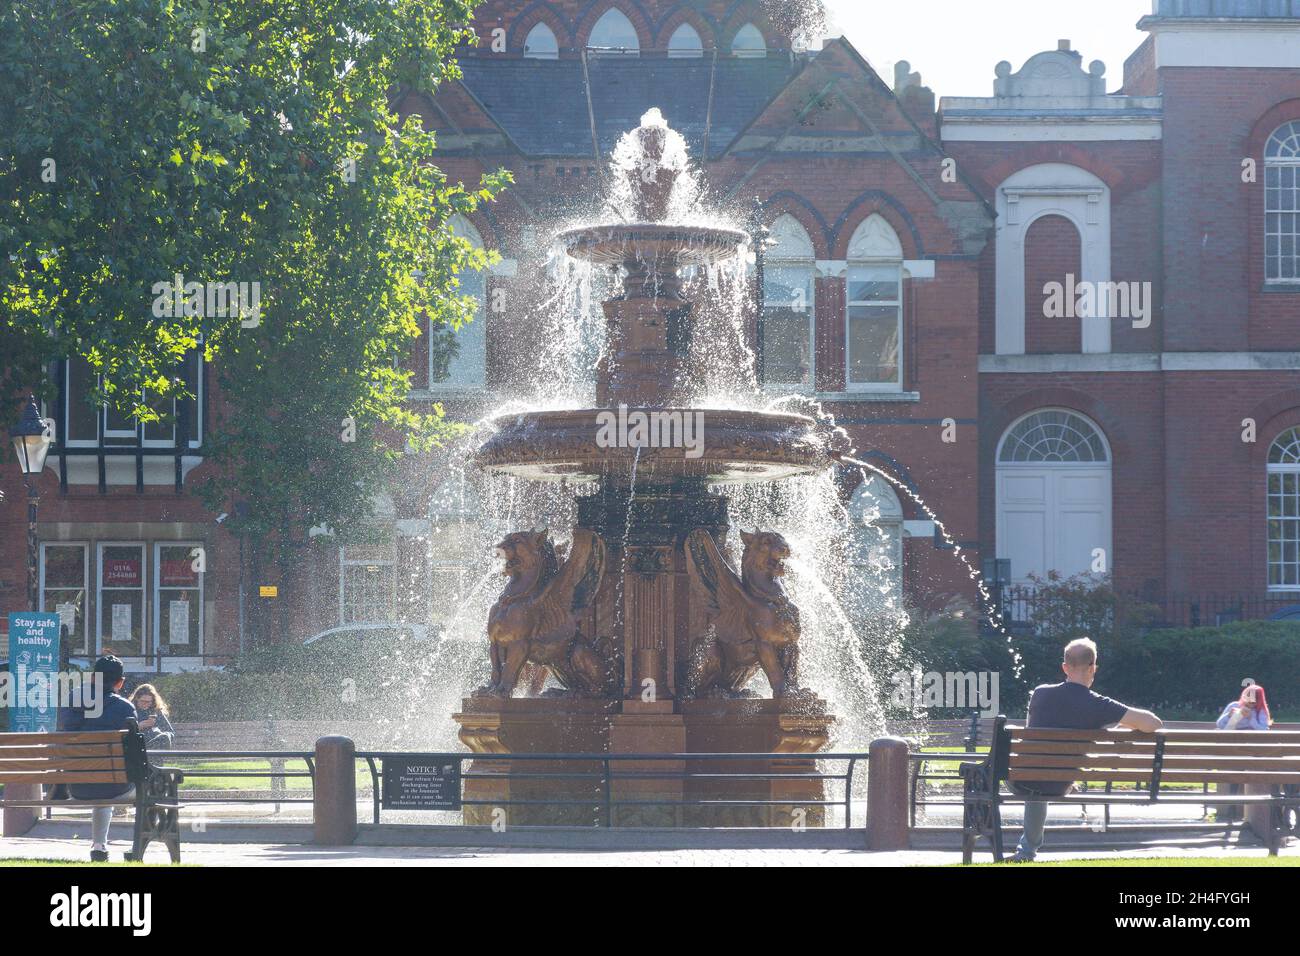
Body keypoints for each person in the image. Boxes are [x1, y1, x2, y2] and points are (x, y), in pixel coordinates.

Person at [1010, 637, 1162, 862]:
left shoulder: (1040, 693)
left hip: (1023, 778)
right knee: (1044, 781)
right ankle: (1027, 851)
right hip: (1060, 783)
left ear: (1064, 667)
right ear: (1093, 668)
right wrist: (1121, 722)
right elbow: (1154, 724)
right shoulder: (1099, 705)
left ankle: (1025, 851)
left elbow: (1030, 731)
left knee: (1032, 781)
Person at [65, 656, 138, 862]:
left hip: (76, 785)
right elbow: (133, 754)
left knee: (101, 776)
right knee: (122, 781)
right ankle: (136, 847)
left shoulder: (71, 701)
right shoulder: (125, 708)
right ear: (120, 682)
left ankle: (99, 846)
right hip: (114, 785)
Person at [128, 683, 176, 749]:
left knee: (165, 737)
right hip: (137, 747)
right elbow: (123, 734)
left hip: (156, 745)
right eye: (143, 701)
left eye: (148, 702)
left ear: (153, 701)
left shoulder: (156, 711)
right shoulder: (130, 711)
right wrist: (139, 726)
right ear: (136, 699)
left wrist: (160, 734)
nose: (145, 704)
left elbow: (170, 732)